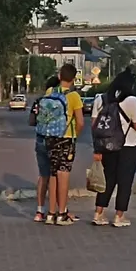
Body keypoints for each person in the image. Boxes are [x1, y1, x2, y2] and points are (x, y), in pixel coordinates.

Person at [91, 67, 136, 227]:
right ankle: (119, 217)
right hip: (128, 146)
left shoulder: (100, 99)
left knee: (107, 180)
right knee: (125, 182)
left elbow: (95, 126)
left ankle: (98, 214)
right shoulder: (132, 101)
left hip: (107, 146)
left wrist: (97, 149)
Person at [44, 63, 84, 226]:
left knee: (53, 174)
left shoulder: (49, 92)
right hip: (66, 138)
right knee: (64, 174)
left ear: (59, 76)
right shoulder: (74, 97)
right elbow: (80, 122)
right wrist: (75, 135)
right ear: (74, 79)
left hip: (50, 138)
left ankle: (50, 213)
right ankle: (62, 213)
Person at [31, 76, 60, 223]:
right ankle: (56, 211)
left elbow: (31, 121)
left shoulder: (39, 101)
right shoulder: (62, 101)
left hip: (40, 140)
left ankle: (39, 210)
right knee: (57, 176)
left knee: (43, 176)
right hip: (56, 142)